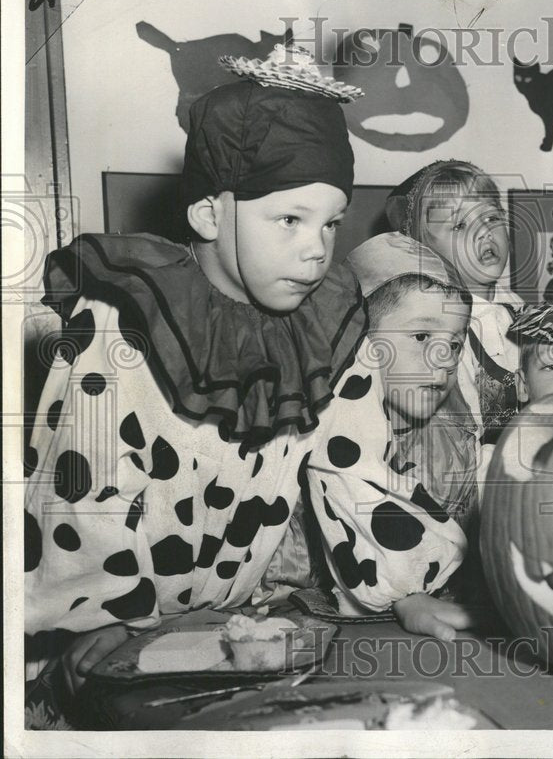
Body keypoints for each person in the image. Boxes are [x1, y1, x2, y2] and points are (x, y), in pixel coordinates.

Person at [23, 48, 366, 715]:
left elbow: (352, 467)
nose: (316, 248)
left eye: (331, 222)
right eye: (289, 219)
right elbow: (80, 492)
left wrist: (403, 589)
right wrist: (111, 612)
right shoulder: (125, 323)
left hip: (231, 641)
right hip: (107, 642)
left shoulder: (326, 330)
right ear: (210, 216)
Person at [306, 232, 481, 641]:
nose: (443, 359)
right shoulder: (325, 427)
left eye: (454, 344)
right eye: (422, 337)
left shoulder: (455, 437)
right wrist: (405, 592)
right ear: (361, 344)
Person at [385, 161, 523, 451]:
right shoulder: (441, 332)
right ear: (424, 250)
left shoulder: (518, 309)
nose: (484, 233)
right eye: (460, 225)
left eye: (491, 218)